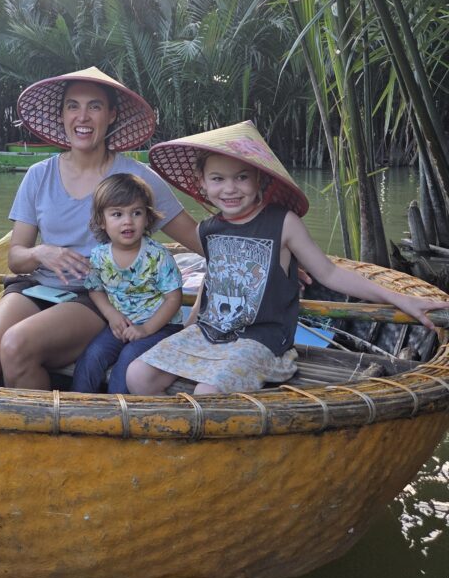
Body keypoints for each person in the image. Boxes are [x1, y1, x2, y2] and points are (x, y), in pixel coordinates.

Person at [126, 121, 445, 396]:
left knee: (207, 391)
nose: (230, 189)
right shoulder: (209, 228)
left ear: (259, 180)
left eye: (241, 177)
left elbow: (331, 274)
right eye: (218, 179)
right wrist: (190, 328)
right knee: (137, 375)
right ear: (202, 184)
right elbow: (214, 279)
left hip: (263, 342)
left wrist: (399, 299)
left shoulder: (283, 222)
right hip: (211, 333)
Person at [0, 66, 203, 390]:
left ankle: (44, 437)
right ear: (61, 115)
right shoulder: (38, 175)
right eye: (73, 106)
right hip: (37, 287)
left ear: (112, 115)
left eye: (95, 106)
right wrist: (42, 252)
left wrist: (271, 251)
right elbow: (16, 258)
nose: (82, 117)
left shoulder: (134, 177)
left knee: (16, 345)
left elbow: (195, 237)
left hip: (96, 297)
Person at [71, 173, 184, 394]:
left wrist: (146, 329)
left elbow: (174, 298)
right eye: (117, 214)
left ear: (148, 218)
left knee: (129, 357)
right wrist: (111, 315)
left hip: (160, 327)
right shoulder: (100, 256)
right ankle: (74, 407)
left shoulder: (158, 256)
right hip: (120, 325)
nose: (128, 221)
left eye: (136, 213)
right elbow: (95, 288)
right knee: (93, 354)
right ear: (102, 221)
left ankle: (118, 417)